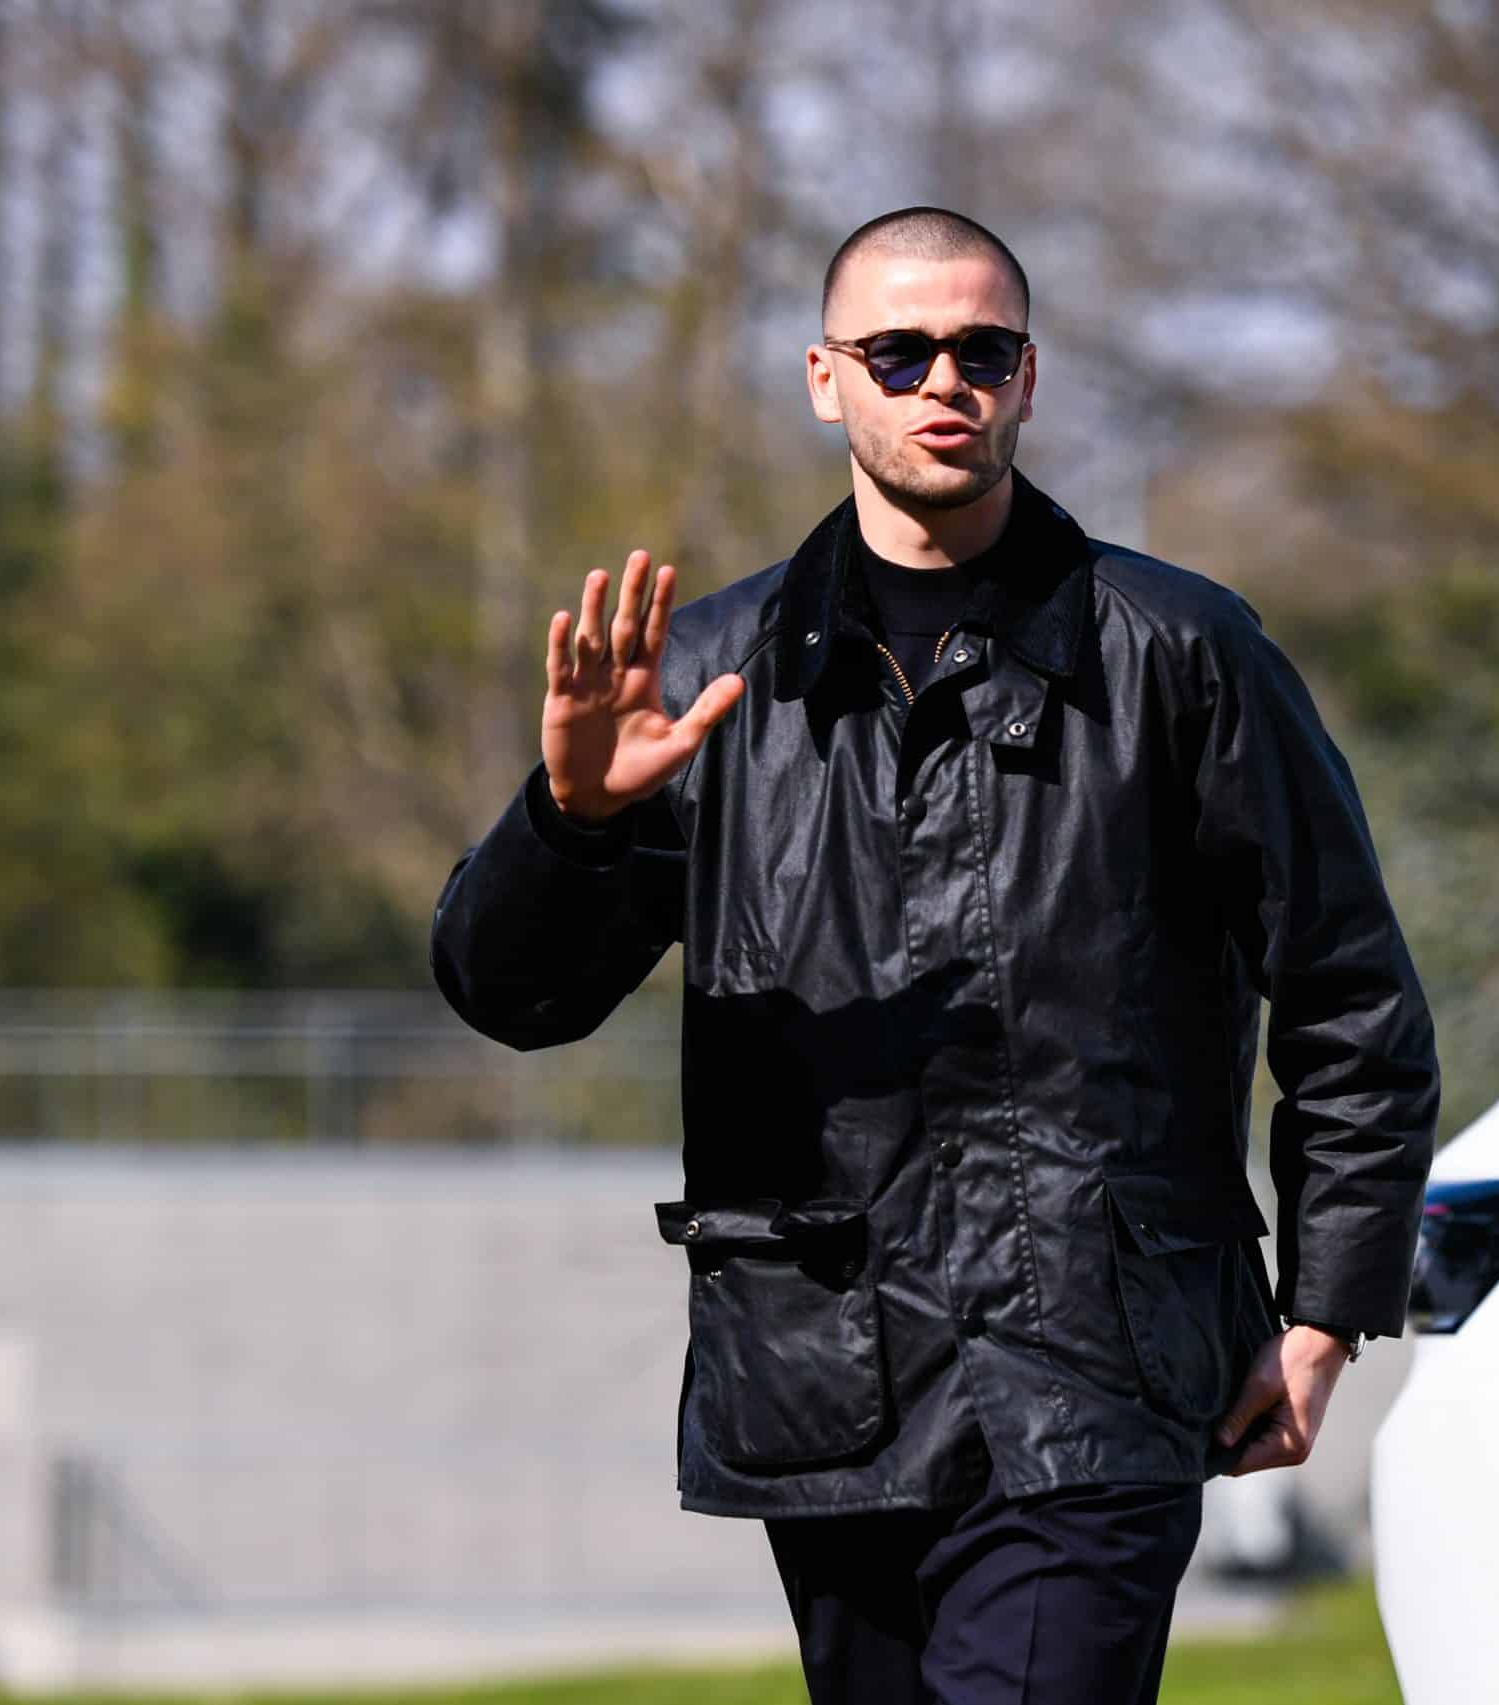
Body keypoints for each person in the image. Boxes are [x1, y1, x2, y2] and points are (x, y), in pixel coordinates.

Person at [429, 205, 1439, 1705]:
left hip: (1098, 1377)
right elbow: (511, 996)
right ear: (826, 379)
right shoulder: (712, 680)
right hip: (820, 1383)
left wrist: (1323, 1314)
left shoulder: (1181, 654)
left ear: (1030, 379)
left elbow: (1353, 1002)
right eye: (900, 351)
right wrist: (573, 819)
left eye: (984, 349)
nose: (943, 380)